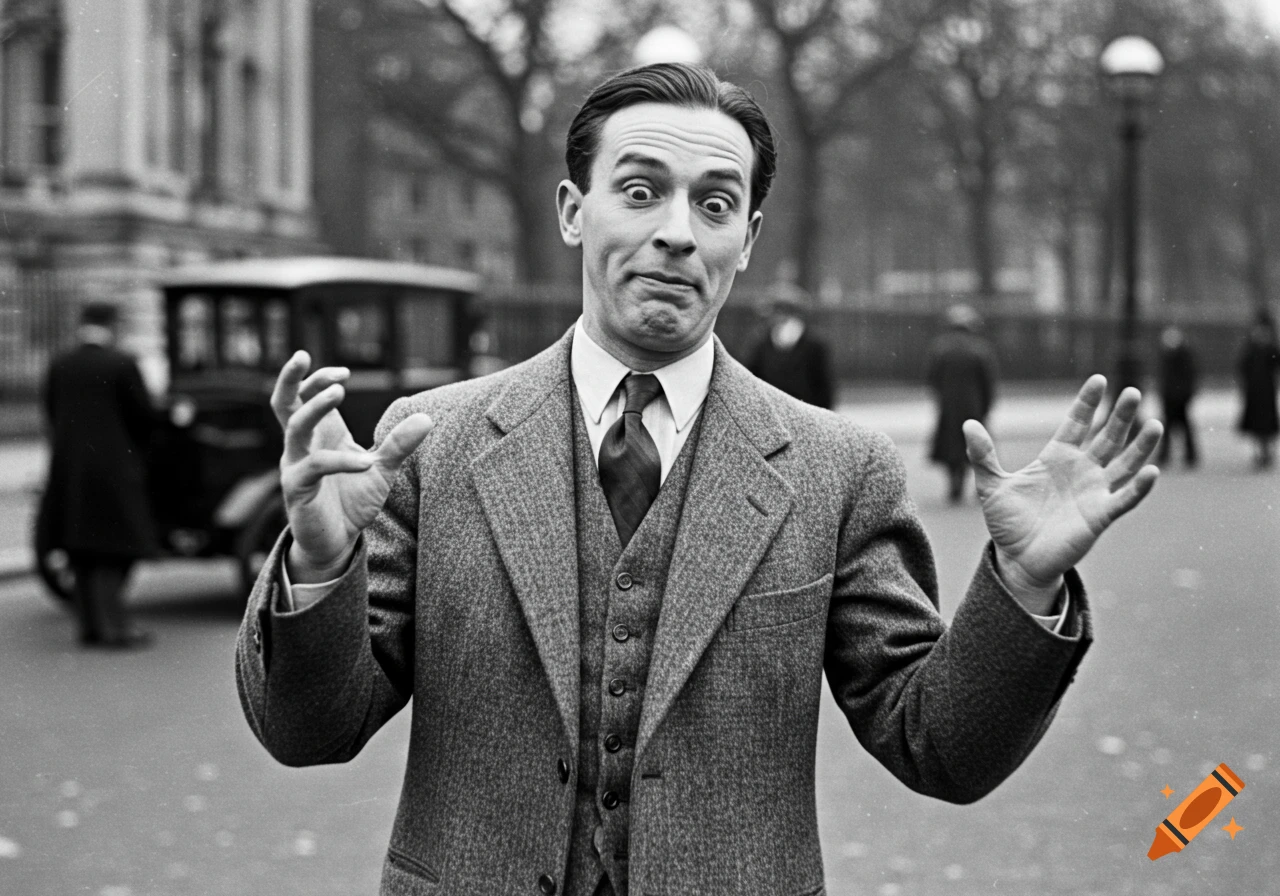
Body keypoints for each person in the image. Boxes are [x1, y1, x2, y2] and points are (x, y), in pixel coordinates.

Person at [236, 64, 1163, 896]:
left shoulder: (840, 471)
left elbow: (941, 748)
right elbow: (309, 731)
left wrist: (1024, 583)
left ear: (748, 238)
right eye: (639, 192)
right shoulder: (432, 444)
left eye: (714, 206)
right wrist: (320, 562)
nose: (676, 233)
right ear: (572, 210)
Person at [38, 301, 158, 648]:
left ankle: (90, 625)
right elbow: (143, 416)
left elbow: (50, 413)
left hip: (69, 469)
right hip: (113, 467)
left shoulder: (60, 363)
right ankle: (113, 627)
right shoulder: (121, 363)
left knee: (82, 548)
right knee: (113, 548)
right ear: (112, 324)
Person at [925, 303, 998, 503]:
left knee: (952, 447)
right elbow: (988, 383)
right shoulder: (980, 349)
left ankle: (954, 485)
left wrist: (942, 397)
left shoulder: (940, 348)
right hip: (973, 406)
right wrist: (986, 405)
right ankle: (980, 486)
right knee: (976, 446)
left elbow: (932, 379)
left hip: (949, 406)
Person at [744, 284, 834, 408]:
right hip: (771, 411)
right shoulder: (762, 343)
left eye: (778, 312)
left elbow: (823, 388)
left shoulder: (814, 344)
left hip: (805, 412)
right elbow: (752, 380)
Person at [1237, 311, 1280, 469]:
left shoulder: (1270, 349)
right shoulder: (1251, 349)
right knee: (1257, 425)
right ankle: (1260, 453)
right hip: (1254, 392)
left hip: (1266, 392)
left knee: (1266, 426)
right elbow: (1243, 368)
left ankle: (1267, 453)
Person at [1156, 325, 1198, 468]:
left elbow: (1188, 377)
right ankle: (1171, 455)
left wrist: (1184, 394)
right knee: (1174, 426)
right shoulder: (1170, 355)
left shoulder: (1181, 356)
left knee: (1180, 426)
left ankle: (1184, 455)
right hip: (1171, 396)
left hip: (1178, 397)